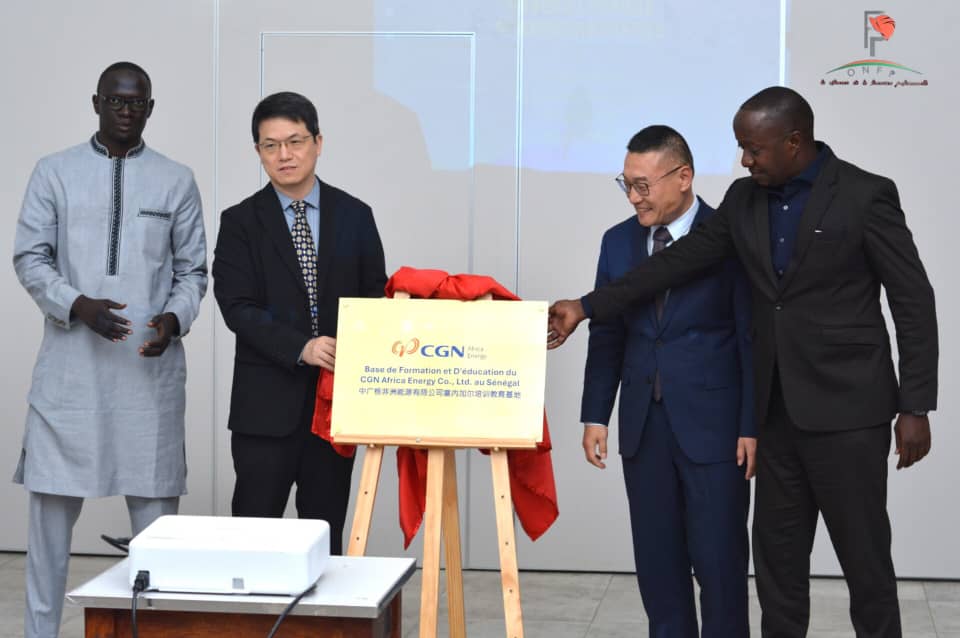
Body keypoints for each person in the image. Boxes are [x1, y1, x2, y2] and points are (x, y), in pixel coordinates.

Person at [549, 86, 937, 638]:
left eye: (754, 149)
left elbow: (912, 300)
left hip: (850, 413)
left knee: (865, 564)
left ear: (793, 142)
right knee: (778, 571)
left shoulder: (865, 194)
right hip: (777, 416)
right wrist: (588, 306)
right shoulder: (742, 200)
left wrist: (915, 405)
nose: (744, 160)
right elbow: (677, 262)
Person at [12, 61, 207, 638]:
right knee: (49, 533)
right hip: (70, 379)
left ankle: (152, 631)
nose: (126, 111)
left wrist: (173, 319)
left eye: (137, 102)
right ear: (96, 103)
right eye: (116, 101)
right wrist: (77, 304)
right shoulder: (54, 173)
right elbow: (30, 257)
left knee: (157, 542)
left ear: (151, 108)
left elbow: (193, 272)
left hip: (147, 379)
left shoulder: (175, 180)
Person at [581, 125, 755, 637]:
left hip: (716, 432)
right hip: (643, 428)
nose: (634, 197)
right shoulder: (617, 242)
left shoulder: (729, 238)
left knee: (720, 566)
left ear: (684, 177)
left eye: (643, 185)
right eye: (627, 185)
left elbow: (751, 338)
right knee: (658, 567)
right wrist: (595, 414)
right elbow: (607, 333)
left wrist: (752, 424)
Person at [212, 91, 387, 555]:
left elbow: (375, 300)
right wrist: (301, 347)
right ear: (258, 151)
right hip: (264, 411)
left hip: (335, 409)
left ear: (318, 143)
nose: (284, 155)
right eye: (270, 145)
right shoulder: (240, 222)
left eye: (295, 141)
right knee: (253, 543)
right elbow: (237, 306)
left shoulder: (356, 216)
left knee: (324, 538)